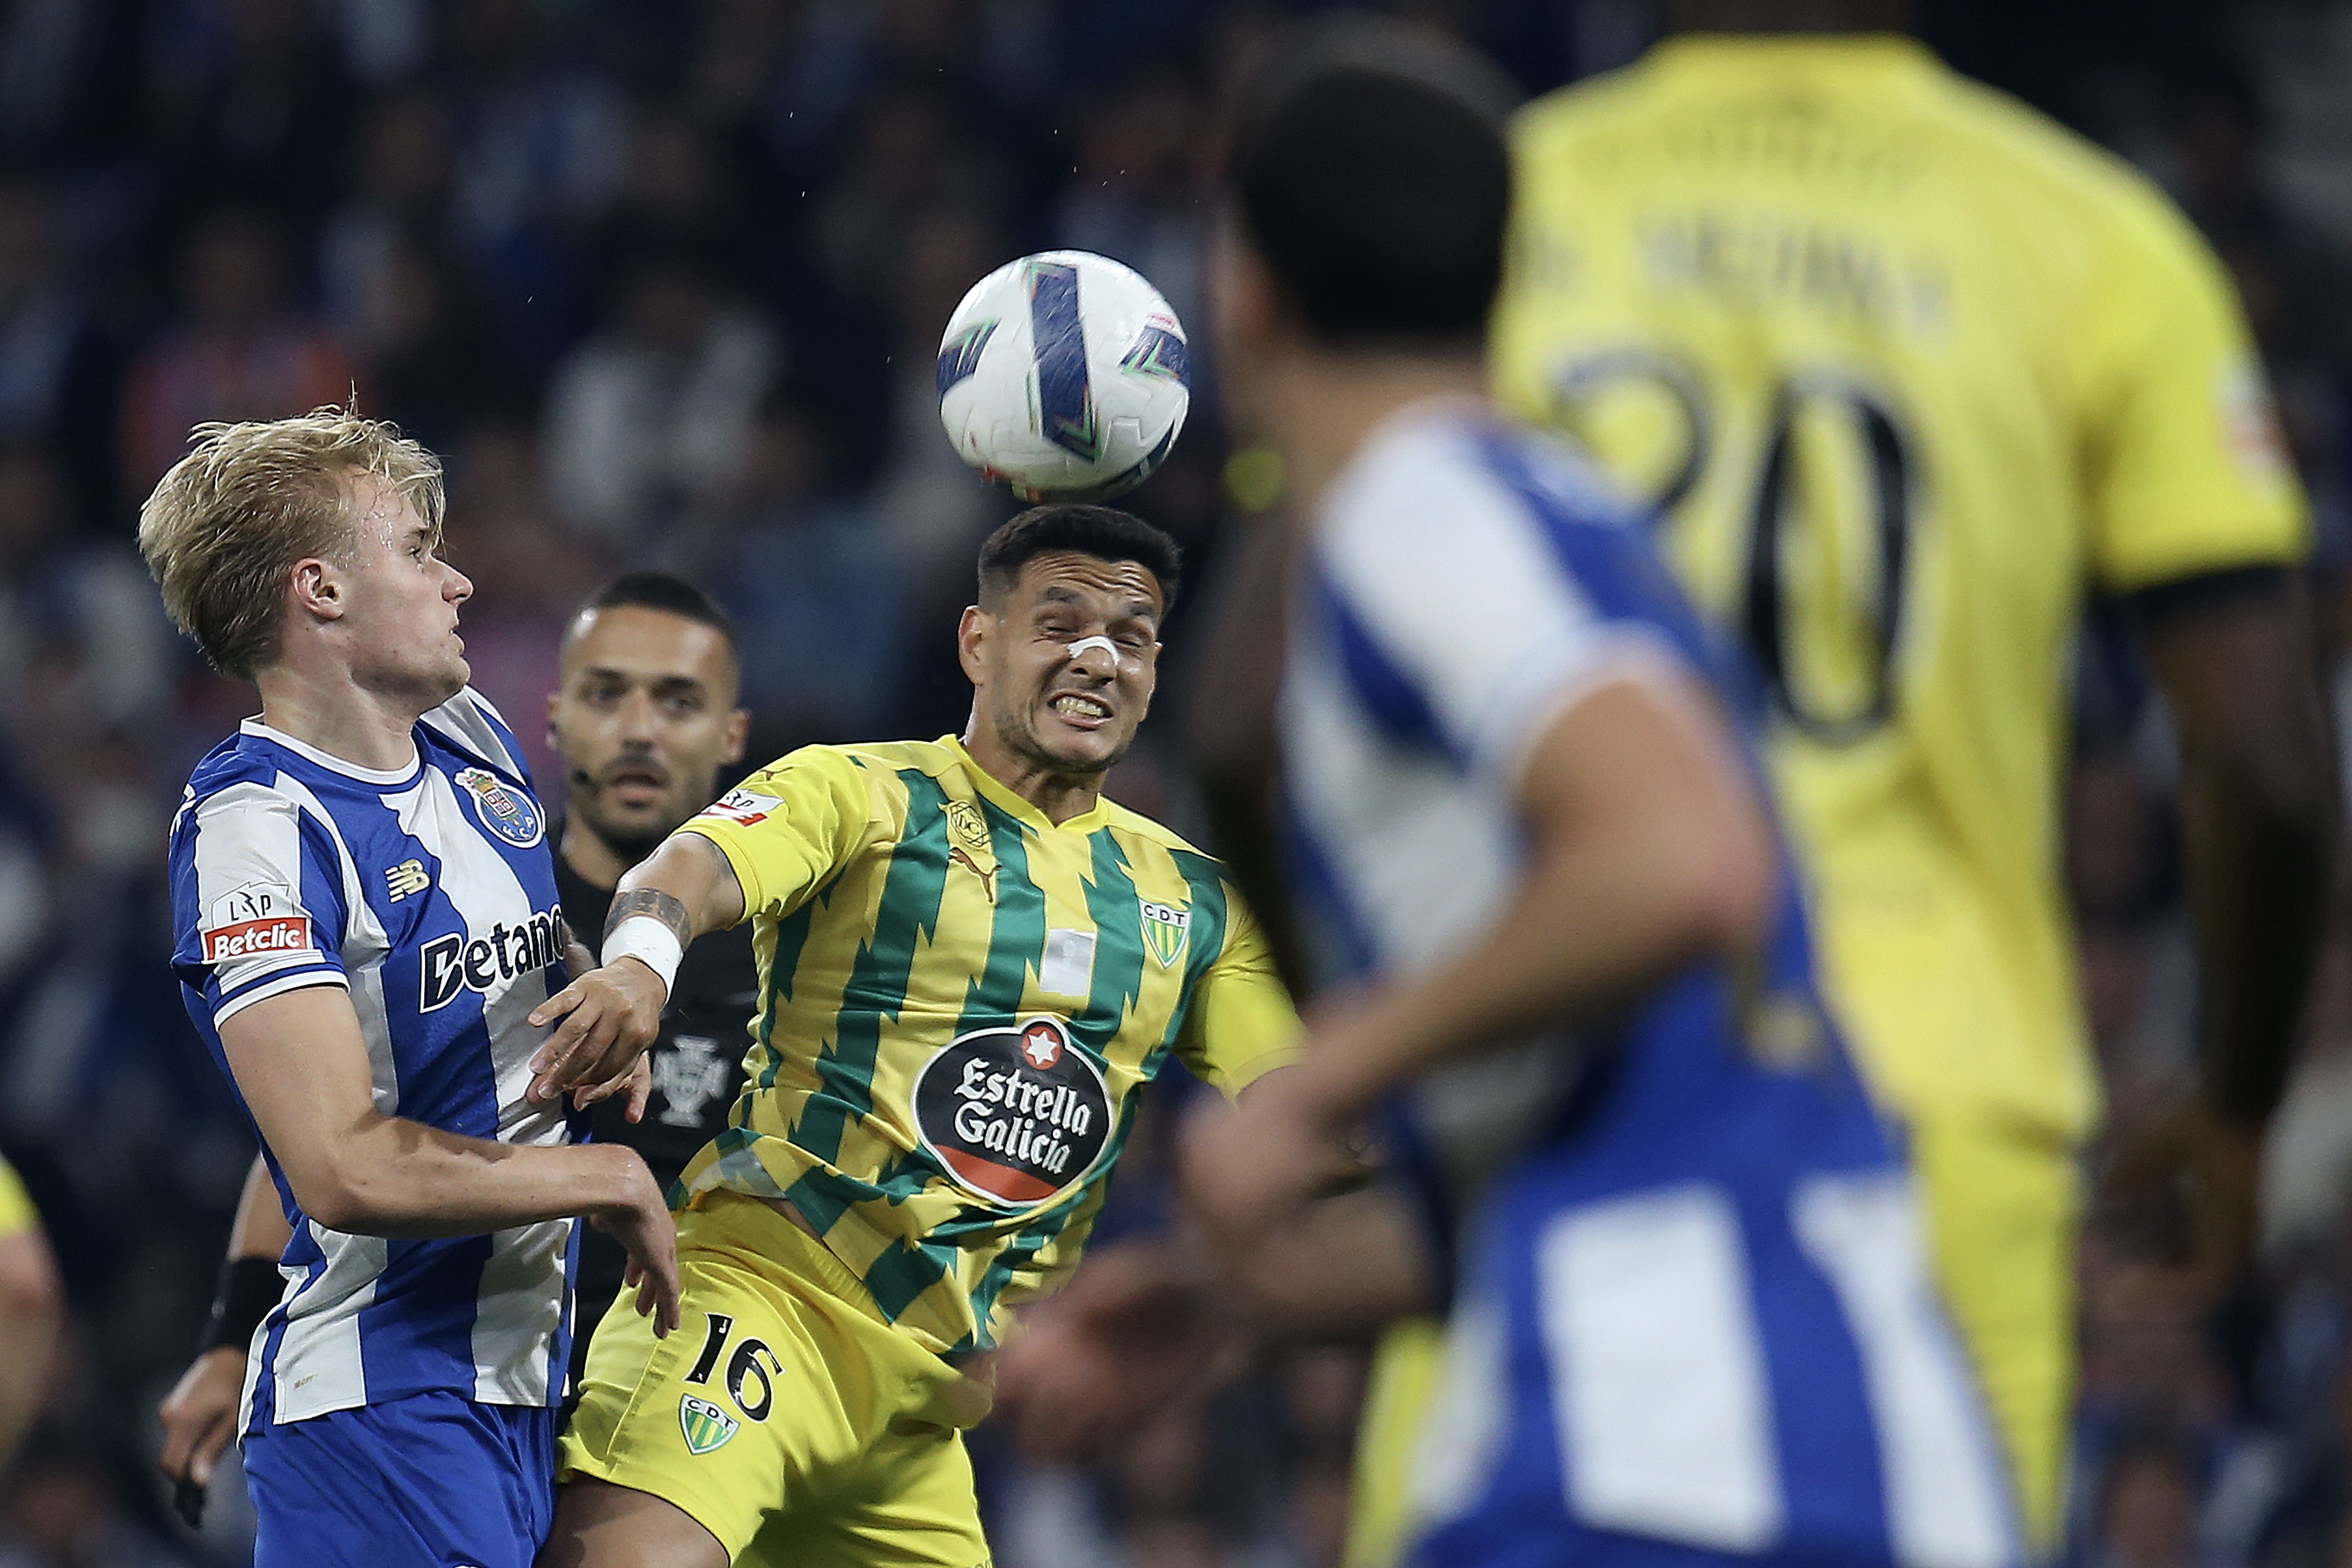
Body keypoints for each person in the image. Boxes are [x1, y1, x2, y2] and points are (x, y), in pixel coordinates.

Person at [1476, 0, 2337, 1554]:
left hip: (1560, 1084)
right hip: (1934, 1112)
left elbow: (1268, 693)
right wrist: (2231, 1102)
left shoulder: (1494, 202)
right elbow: (2270, 767)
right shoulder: (2095, 240)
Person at [1183, 27, 2018, 1568]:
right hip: (1829, 1424)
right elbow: (1628, 1101)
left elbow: (1679, 860)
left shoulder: (1416, 507)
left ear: (1244, 289)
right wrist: (1224, 1304)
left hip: (1659, 1459)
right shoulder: (1577, 531)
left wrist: (1319, 1075)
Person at [529, 504, 1302, 1568]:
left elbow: (1311, 1112)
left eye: (1130, 637)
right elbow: (687, 866)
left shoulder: (1196, 903)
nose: (1097, 658)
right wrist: (640, 965)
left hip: (925, 1412)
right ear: (978, 641)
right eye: (1060, 624)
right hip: (762, 1305)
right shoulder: (863, 791)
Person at [139, 408, 681, 1568]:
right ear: (321, 589)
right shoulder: (258, 830)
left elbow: (425, 1023)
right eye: (420, 550)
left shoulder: (469, 733)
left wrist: (593, 993)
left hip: (527, 1389)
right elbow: (337, 1157)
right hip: (384, 1412)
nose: (458, 581)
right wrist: (606, 1175)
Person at [157, 568, 759, 1501]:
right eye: (608, 694)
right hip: (470, 1374)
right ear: (554, 718)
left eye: (677, 701)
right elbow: (329, 1115)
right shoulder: (479, 896)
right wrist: (232, 1336)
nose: (639, 729)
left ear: (732, 735)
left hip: (693, 1402)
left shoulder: (779, 950)